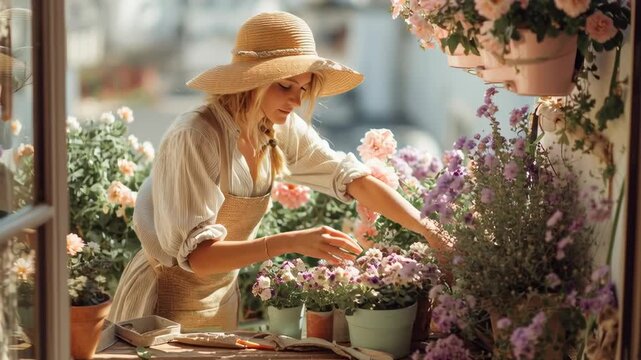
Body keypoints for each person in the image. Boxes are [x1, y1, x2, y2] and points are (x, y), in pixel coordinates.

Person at [108, 11, 450, 332]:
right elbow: (198, 258)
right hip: (164, 306)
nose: (296, 100)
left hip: (222, 300)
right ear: (252, 80)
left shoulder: (274, 128)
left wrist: (430, 230)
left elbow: (353, 178)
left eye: (302, 89)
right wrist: (292, 241)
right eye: (285, 86)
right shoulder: (196, 137)